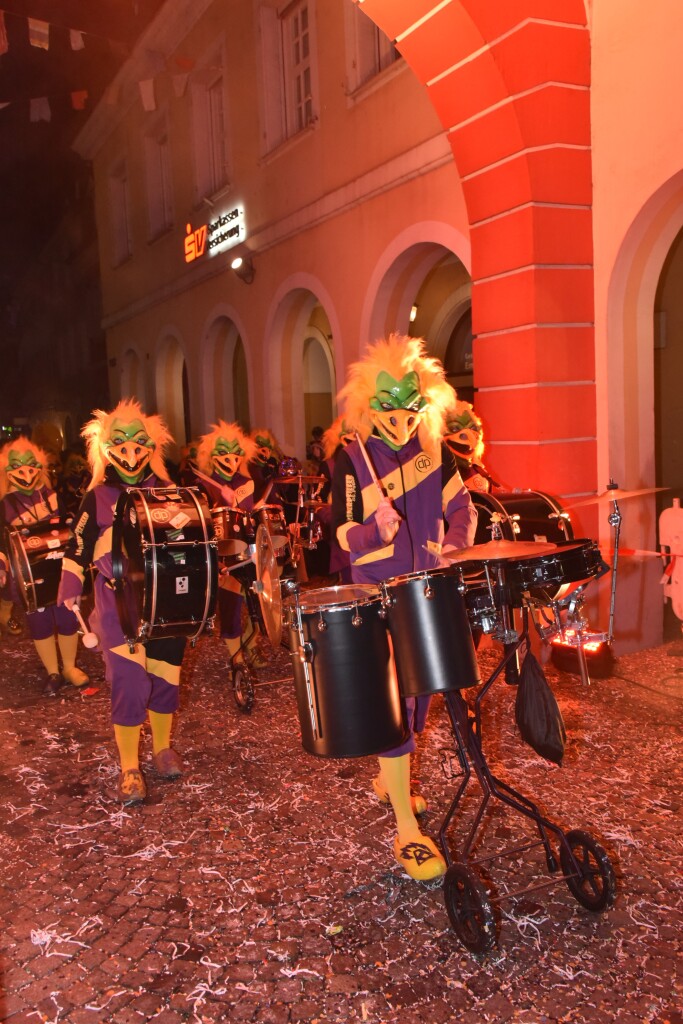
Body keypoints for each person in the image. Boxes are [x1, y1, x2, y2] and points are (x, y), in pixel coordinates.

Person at [332, 333, 477, 882]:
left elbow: (461, 506)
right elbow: (342, 537)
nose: (400, 418)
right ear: (372, 406)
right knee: (395, 707)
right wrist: (375, 529)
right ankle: (405, 828)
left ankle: (391, 781)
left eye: (411, 408)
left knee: (419, 699)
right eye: (390, 408)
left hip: (427, 590)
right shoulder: (351, 460)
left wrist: (456, 546)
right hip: (377, 597)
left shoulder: (437, 453)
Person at [57, 400, 185, 806]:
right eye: (121, 443)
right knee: (129, 682)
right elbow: (77, 550)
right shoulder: (95, 498)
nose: (131, 451)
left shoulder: (168, 491)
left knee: (166, 675)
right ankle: (130, 766)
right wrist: (68, 587)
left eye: (138, 442)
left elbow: (187, 543)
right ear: (105, 447)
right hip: (116, 602)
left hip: (164, 599)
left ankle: (162, 748)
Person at [0, 437, 89, 695]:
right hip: (28, 576)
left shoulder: (52, 496)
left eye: (30, 465)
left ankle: (69, 667)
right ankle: (52, 671)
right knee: (40, 623)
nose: (25, 472)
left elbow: (69, 525)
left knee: (67, 617)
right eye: (17, 466)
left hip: (59, 570)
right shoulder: (4, 504)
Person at [194, 420, 265, 669]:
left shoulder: (249, 482)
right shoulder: (202, 486)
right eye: (223, 453)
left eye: (235, 453)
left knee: (263, 603)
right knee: (230, 608)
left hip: (251, 552)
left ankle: (251, 642)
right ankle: (236, 657)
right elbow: (200, 523)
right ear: (211, 456)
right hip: (222, 556)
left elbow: (260, 512)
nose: (230, 458)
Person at [444, 400, 498, 492]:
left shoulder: (478, 471)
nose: (469, 435)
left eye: (473, 428)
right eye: (455, 428)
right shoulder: (435, 474)